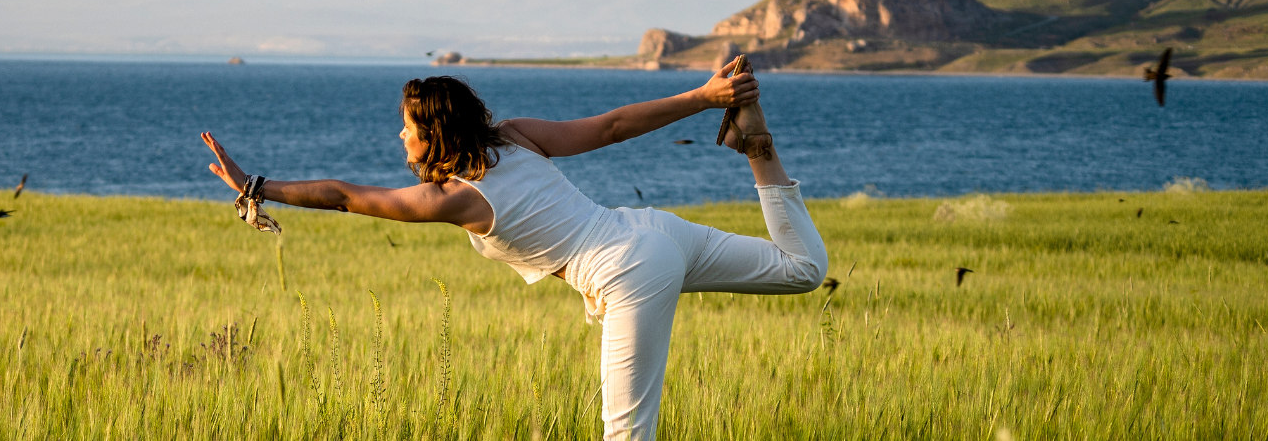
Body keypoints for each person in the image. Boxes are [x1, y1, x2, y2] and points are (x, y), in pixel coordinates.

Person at [200, 60, 828, 440]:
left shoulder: (454, 198)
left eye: (408, 126)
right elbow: (611, 127)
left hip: (627, 270)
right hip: (649, 230)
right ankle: (758, 147)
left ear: (433, 133)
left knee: (626, 431)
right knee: (804, 271)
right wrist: (704, 98)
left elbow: (343, 196)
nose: (400, 134)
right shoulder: (513, 136)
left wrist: (257, 186)